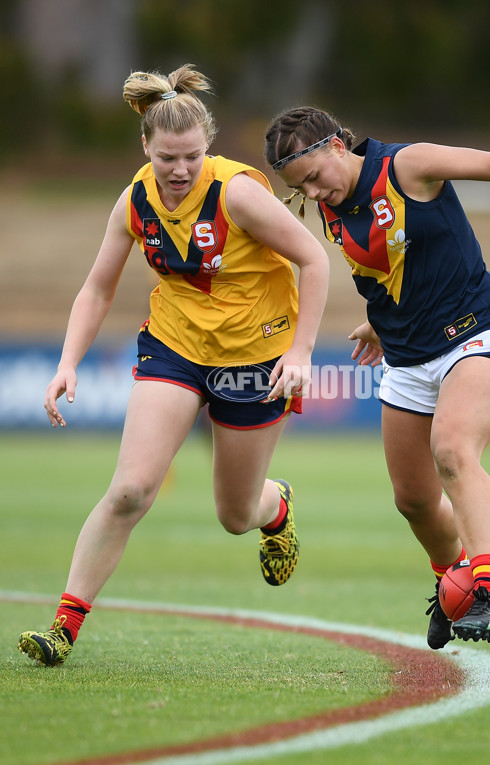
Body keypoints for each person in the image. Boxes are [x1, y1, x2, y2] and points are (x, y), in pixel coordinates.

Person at [18, 66, 329, 667]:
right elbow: (97, 289)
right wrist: (67, 362)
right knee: (132, 489)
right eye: (167, 159)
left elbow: (312, 260)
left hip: (255, 355)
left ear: (206, 147)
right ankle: (63, 626)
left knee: (235, 515)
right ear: (145, 148)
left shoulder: (238, 193)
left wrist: (302, 351)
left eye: (190, 157)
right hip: (175, 347)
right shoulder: (134, 200)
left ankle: (275, 507)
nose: (179, 170)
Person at [264, 107, 490, 647]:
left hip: (478, 333)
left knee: (454, 451)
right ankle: (451, 580)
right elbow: (390, 268)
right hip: (408, 354)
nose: (312, 194)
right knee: (411, 498)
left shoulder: (406, 166)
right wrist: (379, 321)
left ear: (338, 146)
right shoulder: (333, 206)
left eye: (313, 178)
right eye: (301, 189)